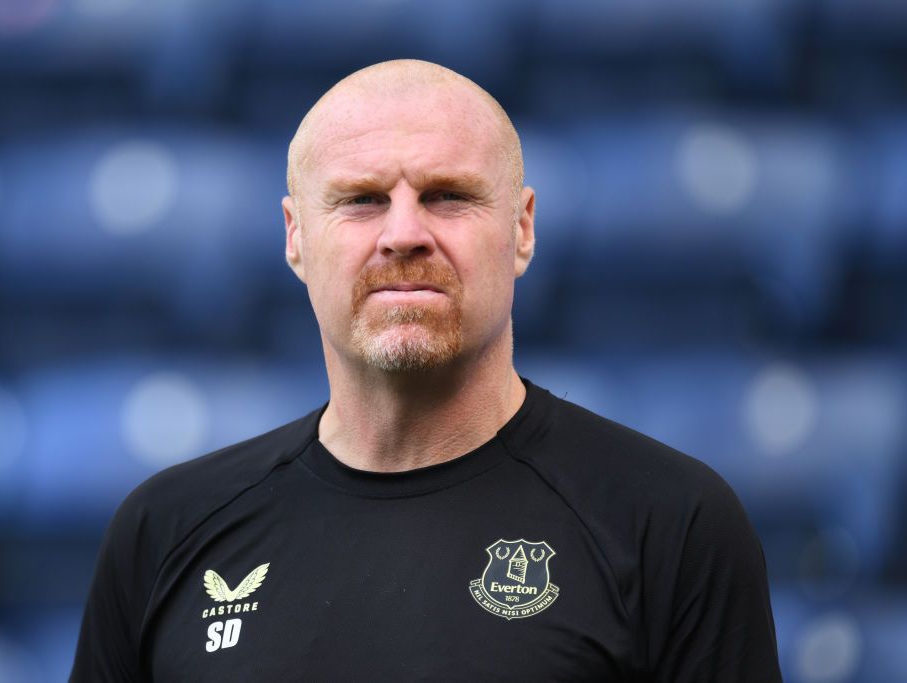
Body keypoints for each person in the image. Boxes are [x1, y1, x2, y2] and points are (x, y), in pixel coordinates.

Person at [71, 59, 782, 681]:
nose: (404, 233)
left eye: (448, 195)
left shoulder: (670, 523)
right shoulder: (164, 531)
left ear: (523, 229)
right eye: (360, 200)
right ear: (295, 236)